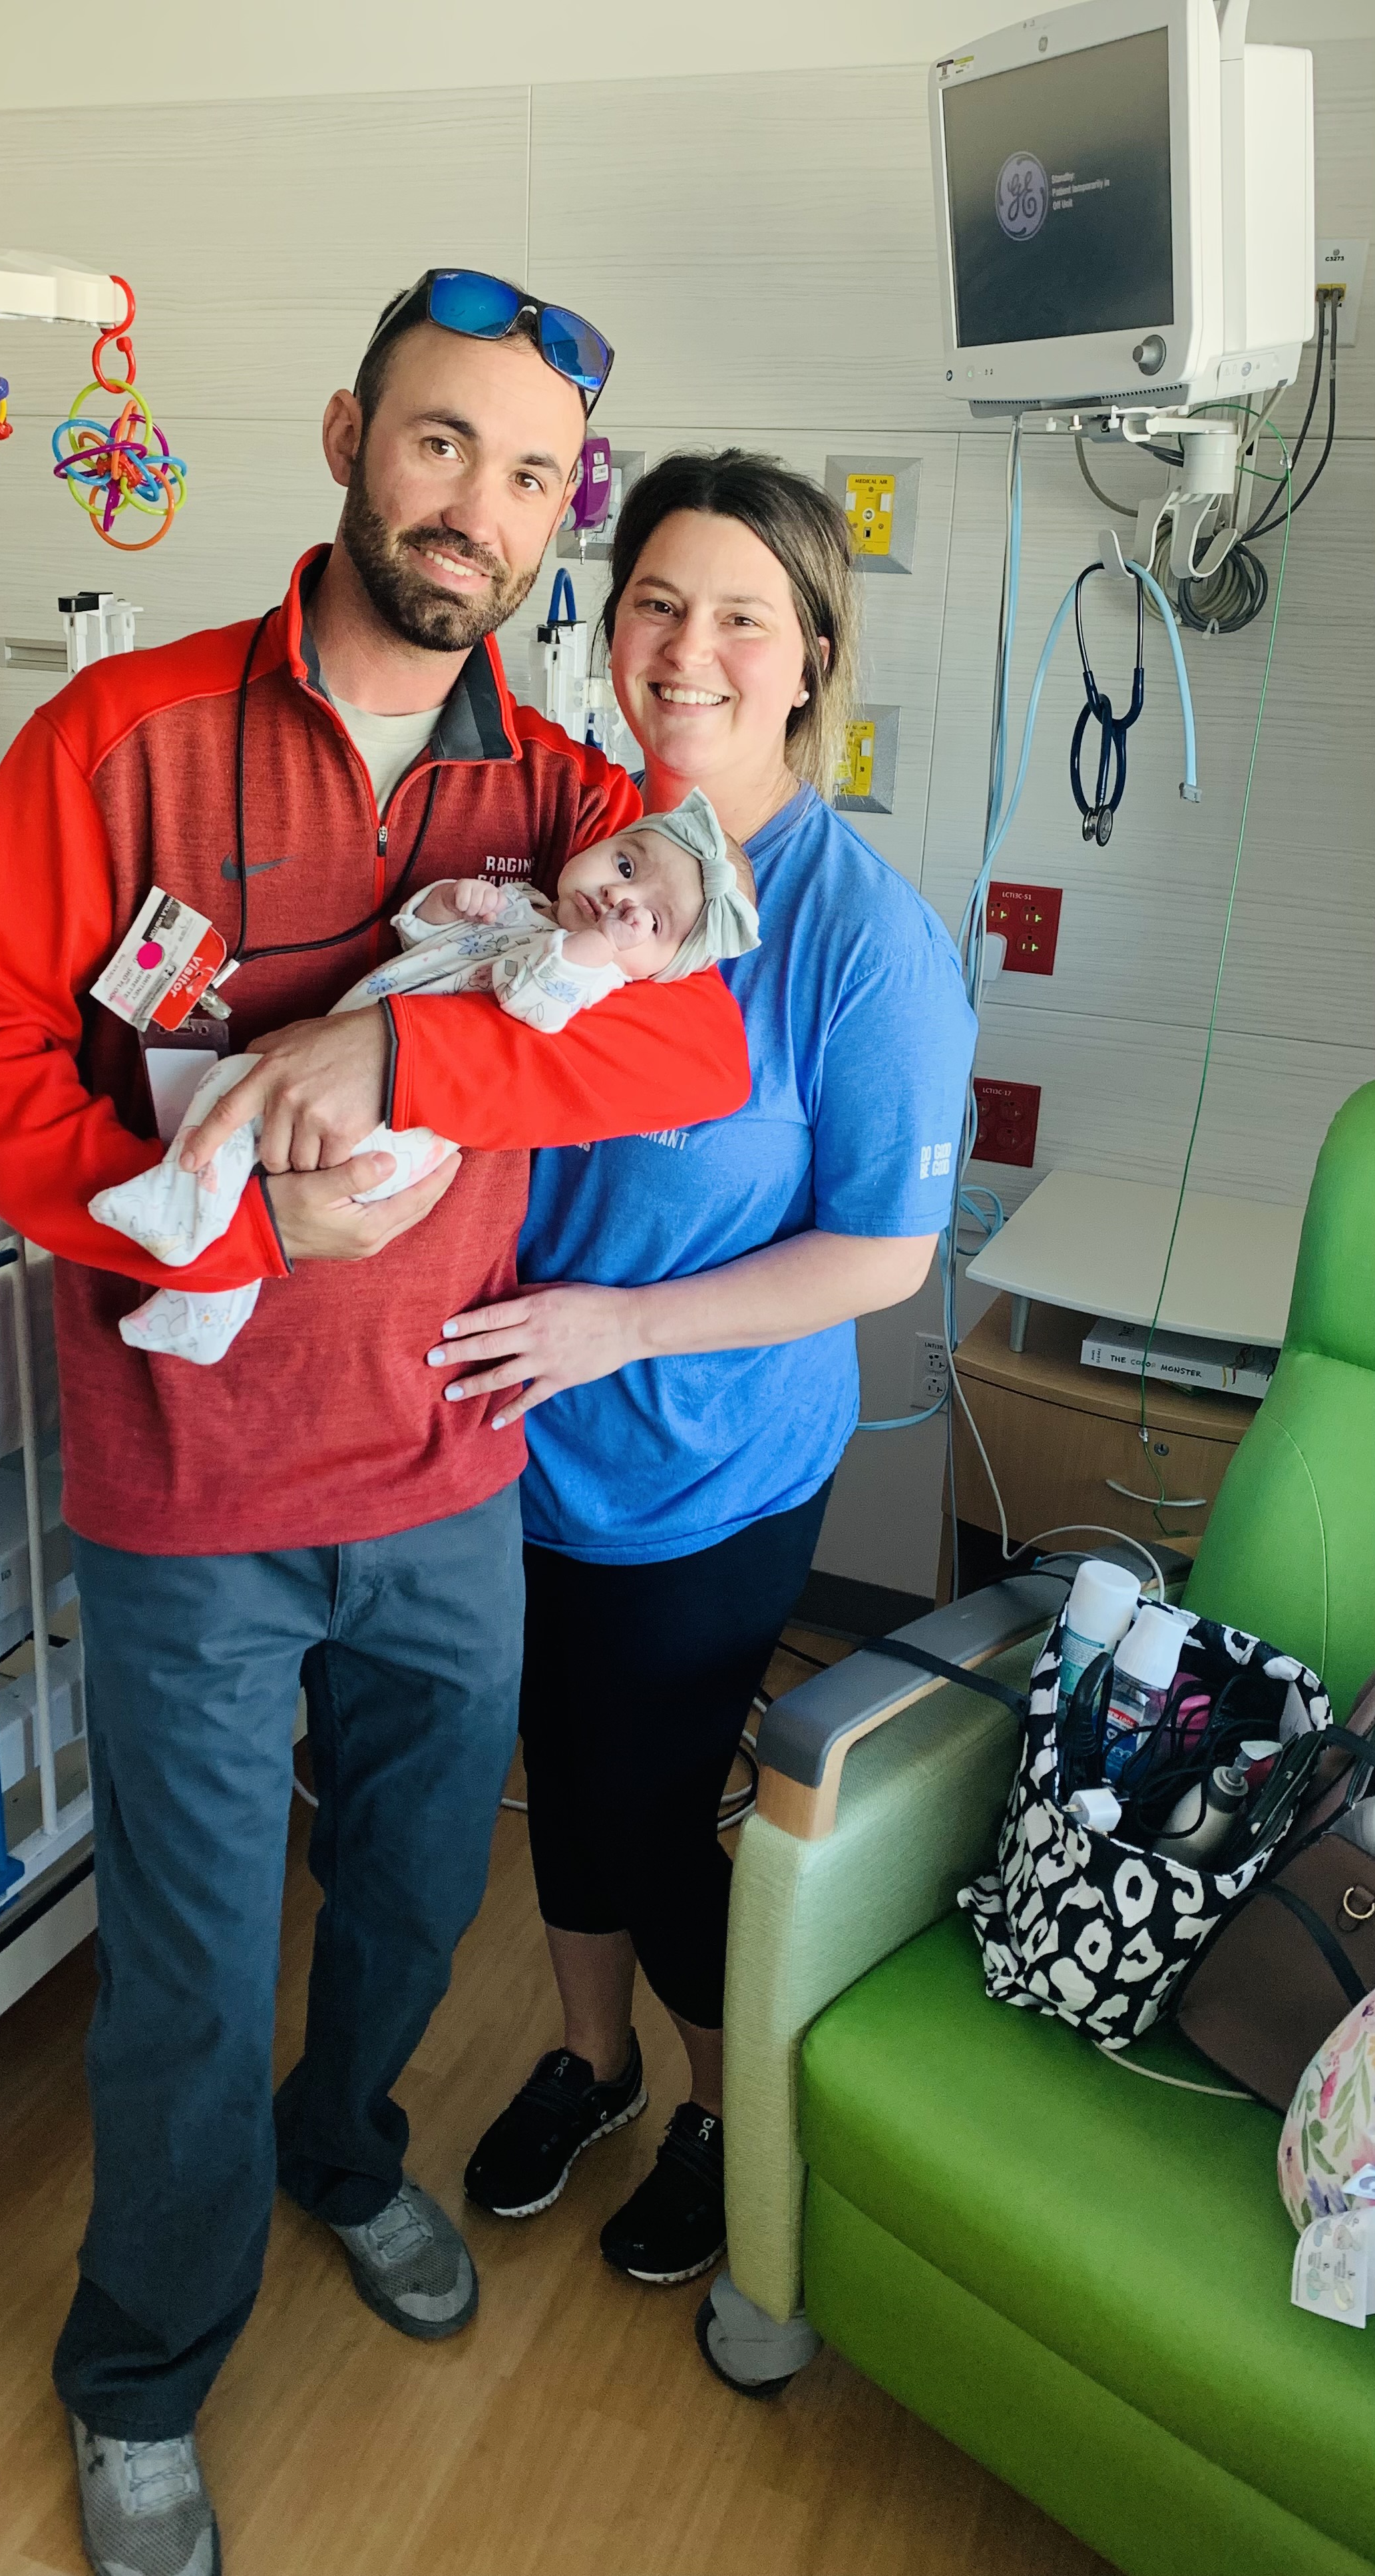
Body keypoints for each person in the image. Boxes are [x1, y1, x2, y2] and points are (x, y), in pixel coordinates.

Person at [0, 276, 750, 2576]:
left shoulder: (557, 793)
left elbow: (680, 1047)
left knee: (397, 1889)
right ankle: (139, 2367)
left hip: (443, 1472)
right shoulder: (126, 743)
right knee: (182, 1955)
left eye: (532, 477)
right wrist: (222, 1218)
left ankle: (344, 2155)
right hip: (193, 1490)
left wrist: (394, 1065)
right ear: (352, 432)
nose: (477, 506)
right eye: (444, 444)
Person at [447, 449, 978, 2286]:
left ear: (811, 657)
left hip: (705, 1462)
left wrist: (620, 1325)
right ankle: (588, 2065)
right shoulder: (559, 858)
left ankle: (711, 2106)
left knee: (655, 1806)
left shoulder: (860, 944)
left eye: (739, 616)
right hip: (510, 1438)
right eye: (654, 602)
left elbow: (883, 1253)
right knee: (557, 1777)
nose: (686, 649)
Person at [93, 791, 757, 1363]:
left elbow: (536, 999)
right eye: (625, 863)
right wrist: (448, 903)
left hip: (402, 1127)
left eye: (650, 919)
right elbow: (414, 933)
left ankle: (177, 1219)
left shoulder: (592, 976)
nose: (619, 896)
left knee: (237, 1119)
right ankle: (203, 1305)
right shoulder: (525, 906)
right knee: (233, 1100)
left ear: (662, 970)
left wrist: (601, 945)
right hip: (339, 1071)